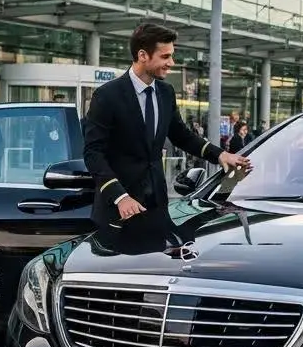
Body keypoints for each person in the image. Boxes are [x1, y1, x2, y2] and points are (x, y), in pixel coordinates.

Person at [83, 22, 251, 227]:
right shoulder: (106, 96)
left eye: (171, 55)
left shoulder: (166, 92)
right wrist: (120, 197)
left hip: (157, 208)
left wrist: (220, 155)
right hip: (117, 211)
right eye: (165, 56)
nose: (171, 62)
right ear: (143, 55)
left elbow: (181, 135)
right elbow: (93, 153)